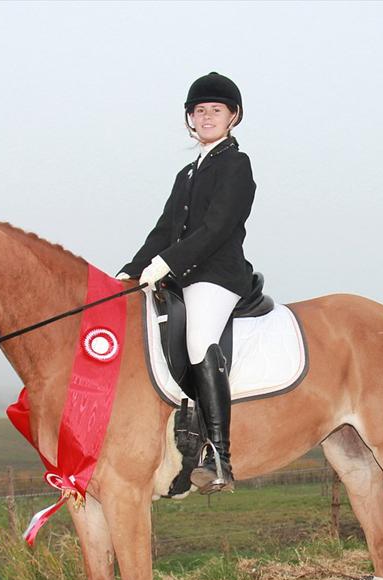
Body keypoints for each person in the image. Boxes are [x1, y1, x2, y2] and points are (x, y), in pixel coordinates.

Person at [118, 72, 256, 494]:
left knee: (199, 340)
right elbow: (164, 231)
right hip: (181, 274)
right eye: (199, 111)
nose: (207, 117)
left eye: (216, 110)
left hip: (217, 275)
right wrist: (131, 271)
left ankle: (219, 457)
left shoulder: (236, 165)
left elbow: (217, 227)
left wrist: (166, 264)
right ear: (190, 119)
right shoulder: (187, 173)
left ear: (233, 116)